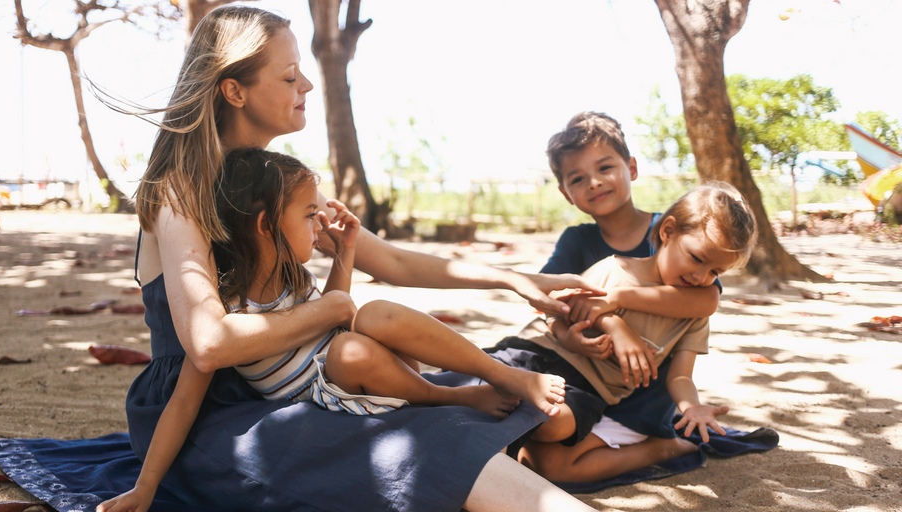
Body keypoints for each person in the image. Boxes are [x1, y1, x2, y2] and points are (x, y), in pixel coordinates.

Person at [97, 6, 599, 511]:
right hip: (209, 413)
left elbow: (393, 263)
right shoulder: (182, 191)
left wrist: (516, 279)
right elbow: (207, 345)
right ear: (234, 90)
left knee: (519, 407)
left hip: (298, 380)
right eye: (290, 75)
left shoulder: (275, 180)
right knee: (414, 440)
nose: (308, 86)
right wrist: (332, 309)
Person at [487, 112, 723, 478]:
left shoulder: (674, 233)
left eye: (605, 168)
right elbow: (549, 301)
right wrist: (610, 324)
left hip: (638, 391)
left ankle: (659, 444)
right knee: (530, 439)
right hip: (572, 366)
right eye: (579, 179)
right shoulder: (578, 241)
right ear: (566, 193)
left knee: (553, 450)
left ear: (631, 167)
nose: (595, 182)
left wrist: (614, 301)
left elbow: (704, 301)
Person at [516, 182, 757, 482]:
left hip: (617, 405)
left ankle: (660, 448)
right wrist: (612, 324)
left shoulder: (694, 310)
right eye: (696, 258)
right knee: (529, 445)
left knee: (550, 465)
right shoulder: (614, 271)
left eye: (715, 272)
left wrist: (692, 407)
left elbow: (680, 376)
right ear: (667, 232)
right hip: (568, 383)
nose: (700, 276)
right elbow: (558, 309)